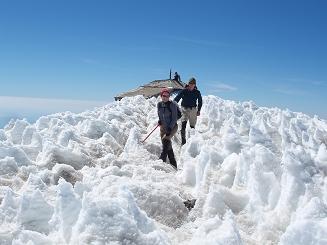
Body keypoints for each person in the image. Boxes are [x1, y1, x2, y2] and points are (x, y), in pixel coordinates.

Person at [174, 77, 202, 145]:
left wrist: (198, 110)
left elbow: (200, 101)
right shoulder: (184, 91)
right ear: (188, 84)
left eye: (193, 84)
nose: (191, 85)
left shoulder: (197, 92)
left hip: (193, 110)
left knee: (192, 126)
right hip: (184, 109)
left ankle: (192, 142)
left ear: (195, 85)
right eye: (190, 83)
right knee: (183, 125)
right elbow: (177, 98)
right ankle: (183, 142)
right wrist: (172, 104)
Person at [157, 88, 179, 168]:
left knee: (166, 140)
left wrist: (170, 128)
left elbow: (174, 118)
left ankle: (162, 159)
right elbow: (160, 115)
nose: (165, 97)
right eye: (163, 95)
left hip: (172, 127)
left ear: (169, 96)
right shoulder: (159, 104)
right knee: (167, 145)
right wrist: (160, 121)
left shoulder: (172, 105)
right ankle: (174, 165)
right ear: (161, 96)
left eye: (167, 96)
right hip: (163, 128)